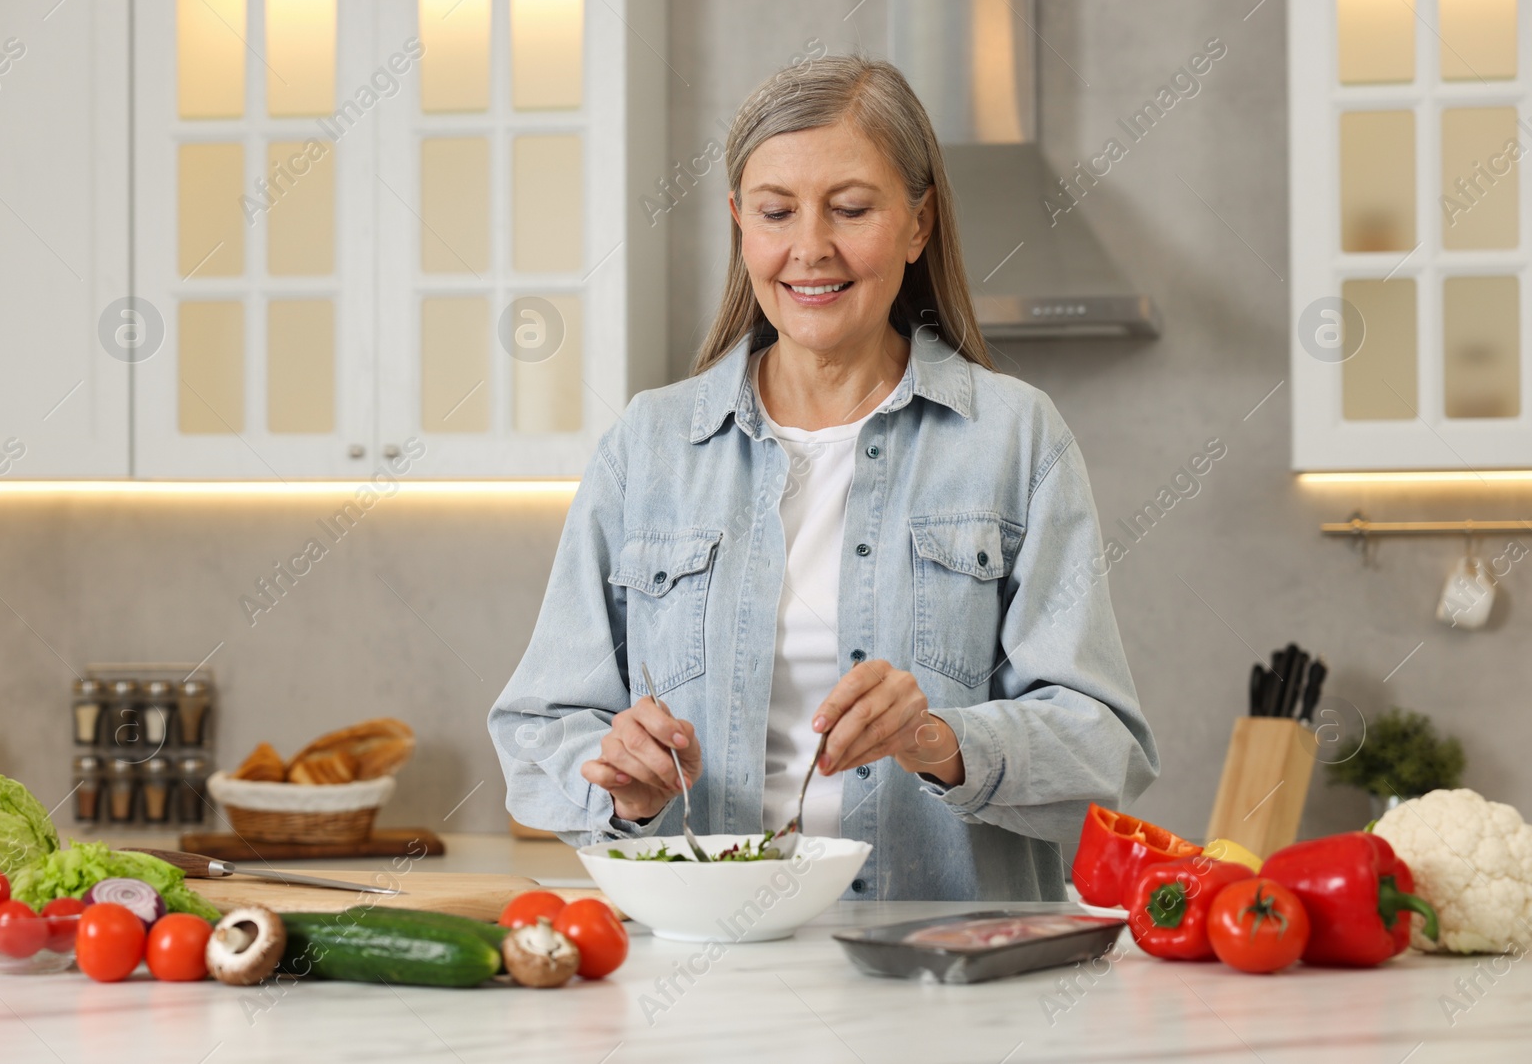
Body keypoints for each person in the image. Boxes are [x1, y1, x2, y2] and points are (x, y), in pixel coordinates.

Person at [488, 55, 1158, 900]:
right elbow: (537, 729)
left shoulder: (1015, 439)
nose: (810, 248)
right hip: (708, 977)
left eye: (851, 209)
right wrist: (615, 782)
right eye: (776, 211)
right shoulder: (648, 446)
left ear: (918, 224)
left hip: (942, 976)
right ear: (740, 223)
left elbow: (1107, 754)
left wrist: (938, 738)